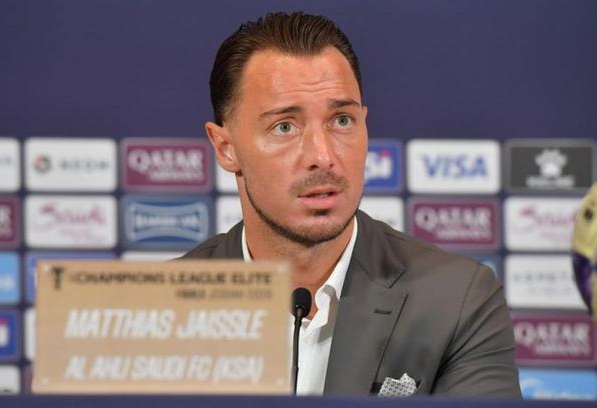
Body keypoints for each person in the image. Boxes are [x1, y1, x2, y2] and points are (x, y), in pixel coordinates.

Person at [183, 11, 521, 398]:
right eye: (285, 126)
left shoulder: (457, 299)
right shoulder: (164, 313)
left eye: (341, 120)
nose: (323, 156)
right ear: (225, 148)